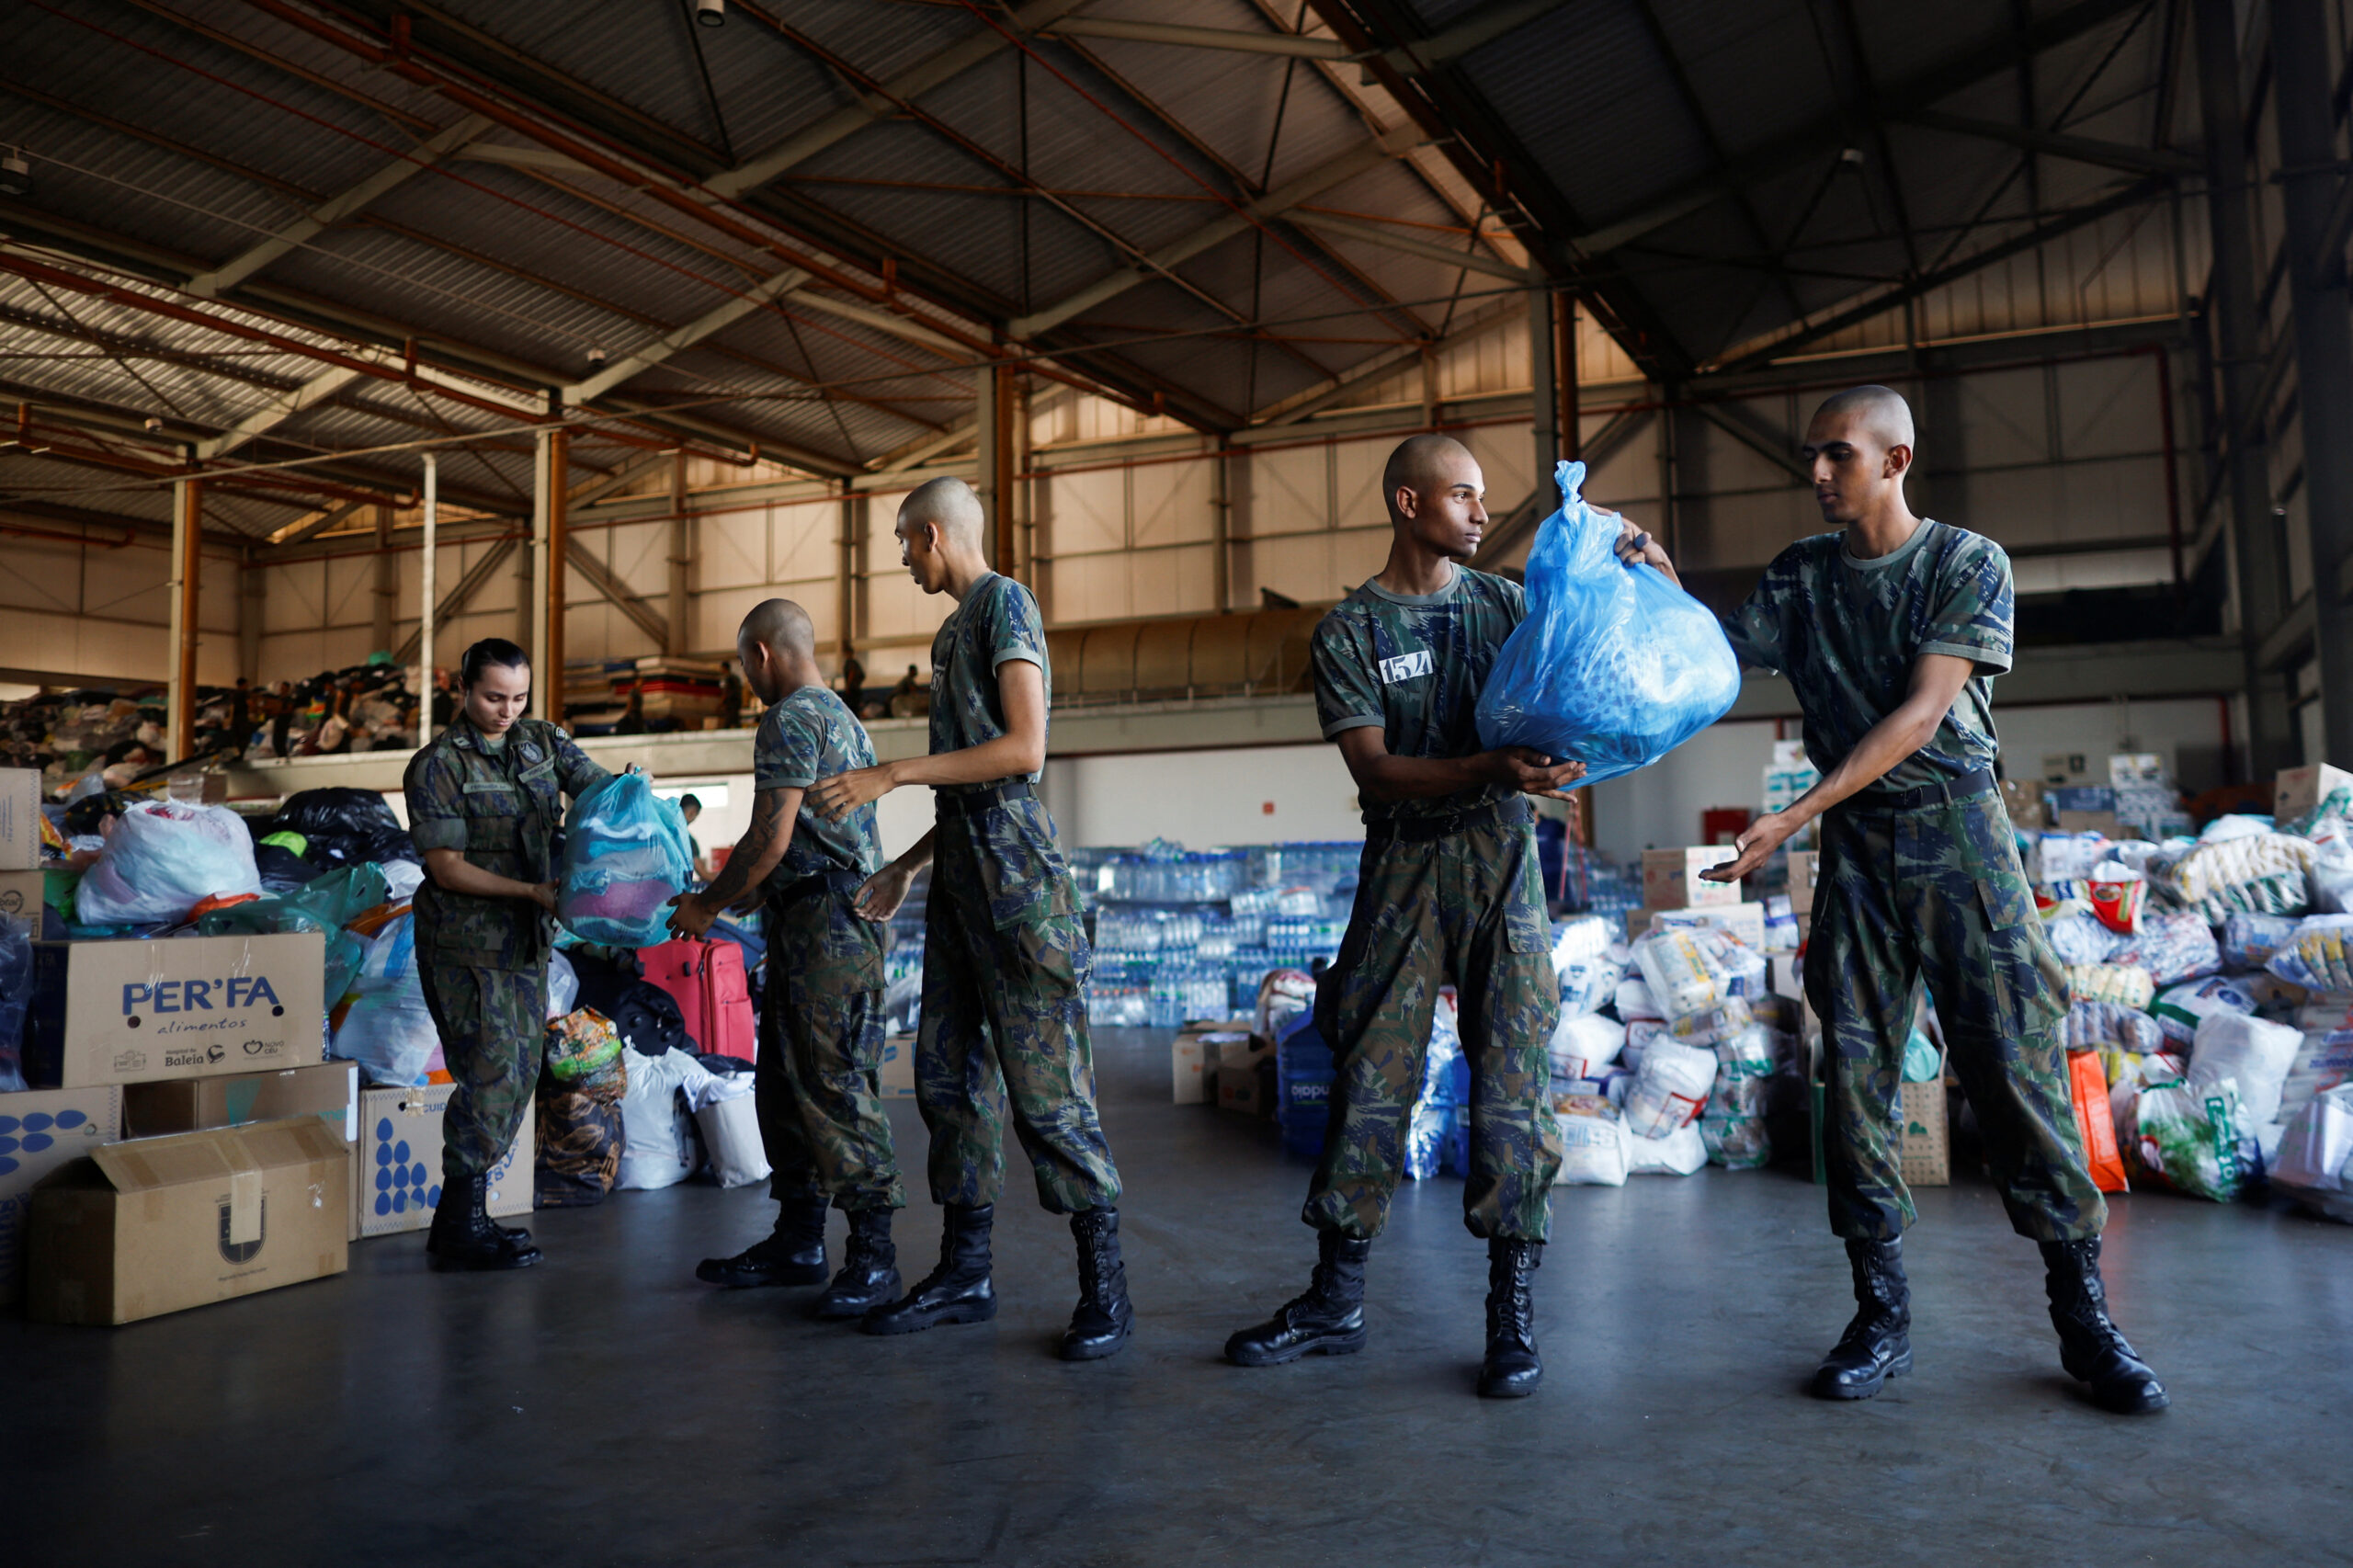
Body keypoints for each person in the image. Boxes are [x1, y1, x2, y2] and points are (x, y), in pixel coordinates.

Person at [1700, 385, 2165, 1414]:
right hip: (1859, 849)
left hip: (1958, 830)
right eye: (1810, 457)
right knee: (1855, 1076)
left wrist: (1789, 816)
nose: (1817, 474)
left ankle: (2084, 1320)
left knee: (2015, 1067)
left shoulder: (1964, 563)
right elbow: (1703, 660)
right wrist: (1640, 587)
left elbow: (1920, 714)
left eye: (1837, 455)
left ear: (1895, 457)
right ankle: (1879, 1313)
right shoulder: (1801, 576)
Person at [1221, 434, 1655, 1400]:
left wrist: (1633, 565)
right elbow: (1375, 767)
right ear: (1408, 502)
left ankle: (1511, 1312)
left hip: (1501, 859)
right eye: (1461, 496)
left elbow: (1584, 654)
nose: (1477, 511)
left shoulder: (1502, 602)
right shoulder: (1350, 632)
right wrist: (1490, 766)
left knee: (1510, 1080)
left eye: (1483, 497)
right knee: (1370, 1077)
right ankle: (1335, 1298)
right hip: (1404, 866)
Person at [809, 476, 1131, 1361]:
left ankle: (1105, 1288)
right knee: (949, 1081)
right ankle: (966, 1272)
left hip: (1019, 885)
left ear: (936, 534)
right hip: (961, 879)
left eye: (906, 544)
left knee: (1048, 1093)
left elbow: (1023, 751)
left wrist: (890, 775)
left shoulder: (1004, 605)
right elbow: (967, 793)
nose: (904, 560)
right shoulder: (952, 633)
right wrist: (910, 866)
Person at [667, 600, 907, 1319]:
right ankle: (800, 1240)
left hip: (828, 926)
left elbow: (767, 838)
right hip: (814, 917)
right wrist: (744, 898)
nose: (748, 680)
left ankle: (875, 1257)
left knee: (832, 1084)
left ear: (762, 655)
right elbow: (795, 844)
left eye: (744, 666)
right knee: (784, 1081)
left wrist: (706, 905)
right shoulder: (841, 716)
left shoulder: (788, 717)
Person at [404, 637, 612, 1272]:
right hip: (464, 944)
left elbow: (599, 792)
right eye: (494, 697)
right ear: (462, 690)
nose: (506, 710)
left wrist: (628, 798)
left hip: (524, 942)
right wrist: (530, 890)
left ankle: (461, 1220)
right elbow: (445, 868)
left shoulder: (540, 742)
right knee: (491, 1075)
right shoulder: (437, 765)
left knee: (519, 1074)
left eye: (518, 697)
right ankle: (461, 1221)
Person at [678, 792, 710, 881]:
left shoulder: (665, 830)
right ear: (692, 812)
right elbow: (702, 872)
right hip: (676, 890)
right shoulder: (686, 839)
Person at [840, 649, 867, 717]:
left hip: (852, 690)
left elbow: (851, 673)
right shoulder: (855, 663)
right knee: (855, 707)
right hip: (856, 689)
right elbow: (862, 676)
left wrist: (848, 686)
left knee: (851, 706)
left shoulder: (850, 663)